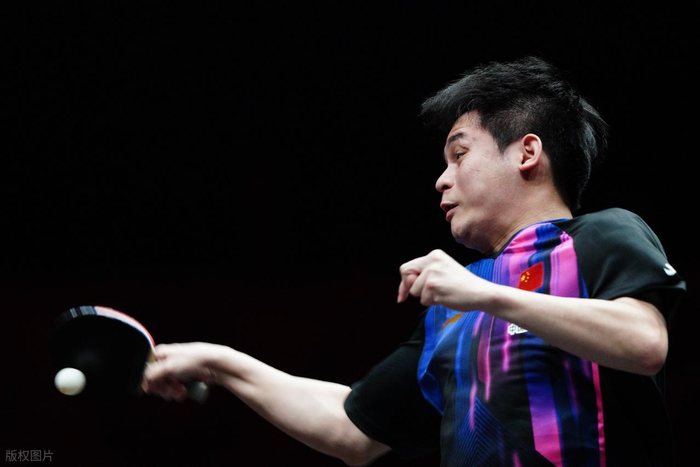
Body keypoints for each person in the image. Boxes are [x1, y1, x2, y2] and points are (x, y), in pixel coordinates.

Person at [143, 57, 686, 466]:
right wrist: (221, 363)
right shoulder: (452, 309)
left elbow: (643, 343)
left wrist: (484, 295)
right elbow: (352, 431)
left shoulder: (600, 234)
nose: (442, 180)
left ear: (527, 152)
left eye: (459, 154)